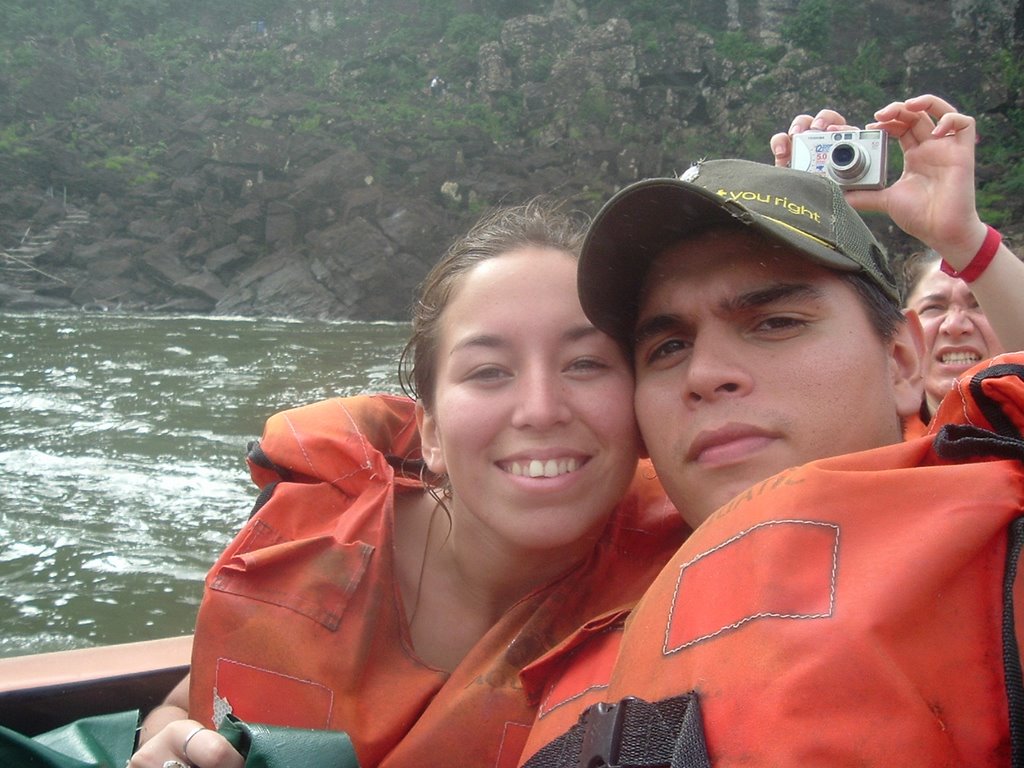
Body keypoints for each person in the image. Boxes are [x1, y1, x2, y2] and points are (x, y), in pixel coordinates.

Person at [516, 97, 1024, 766]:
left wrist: (969, 243)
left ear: (902, 360)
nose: (705, 373)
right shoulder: (558, 599)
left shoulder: (1002, 533)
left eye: (775, 322)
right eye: (666, 348)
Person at [129, 201, 684, 768]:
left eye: (586, 363)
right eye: (489, 371)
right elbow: (182, 709)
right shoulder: (314, 540)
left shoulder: (691, 574)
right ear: (432, 432)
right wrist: (172, 742)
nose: (541, 410)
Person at [772, 95, 1024, 436]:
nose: (956, 325)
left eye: (977, 304)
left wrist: (963, 239)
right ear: (905, 345)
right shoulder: (853, 441)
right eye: (935, 307)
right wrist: (787, 216)